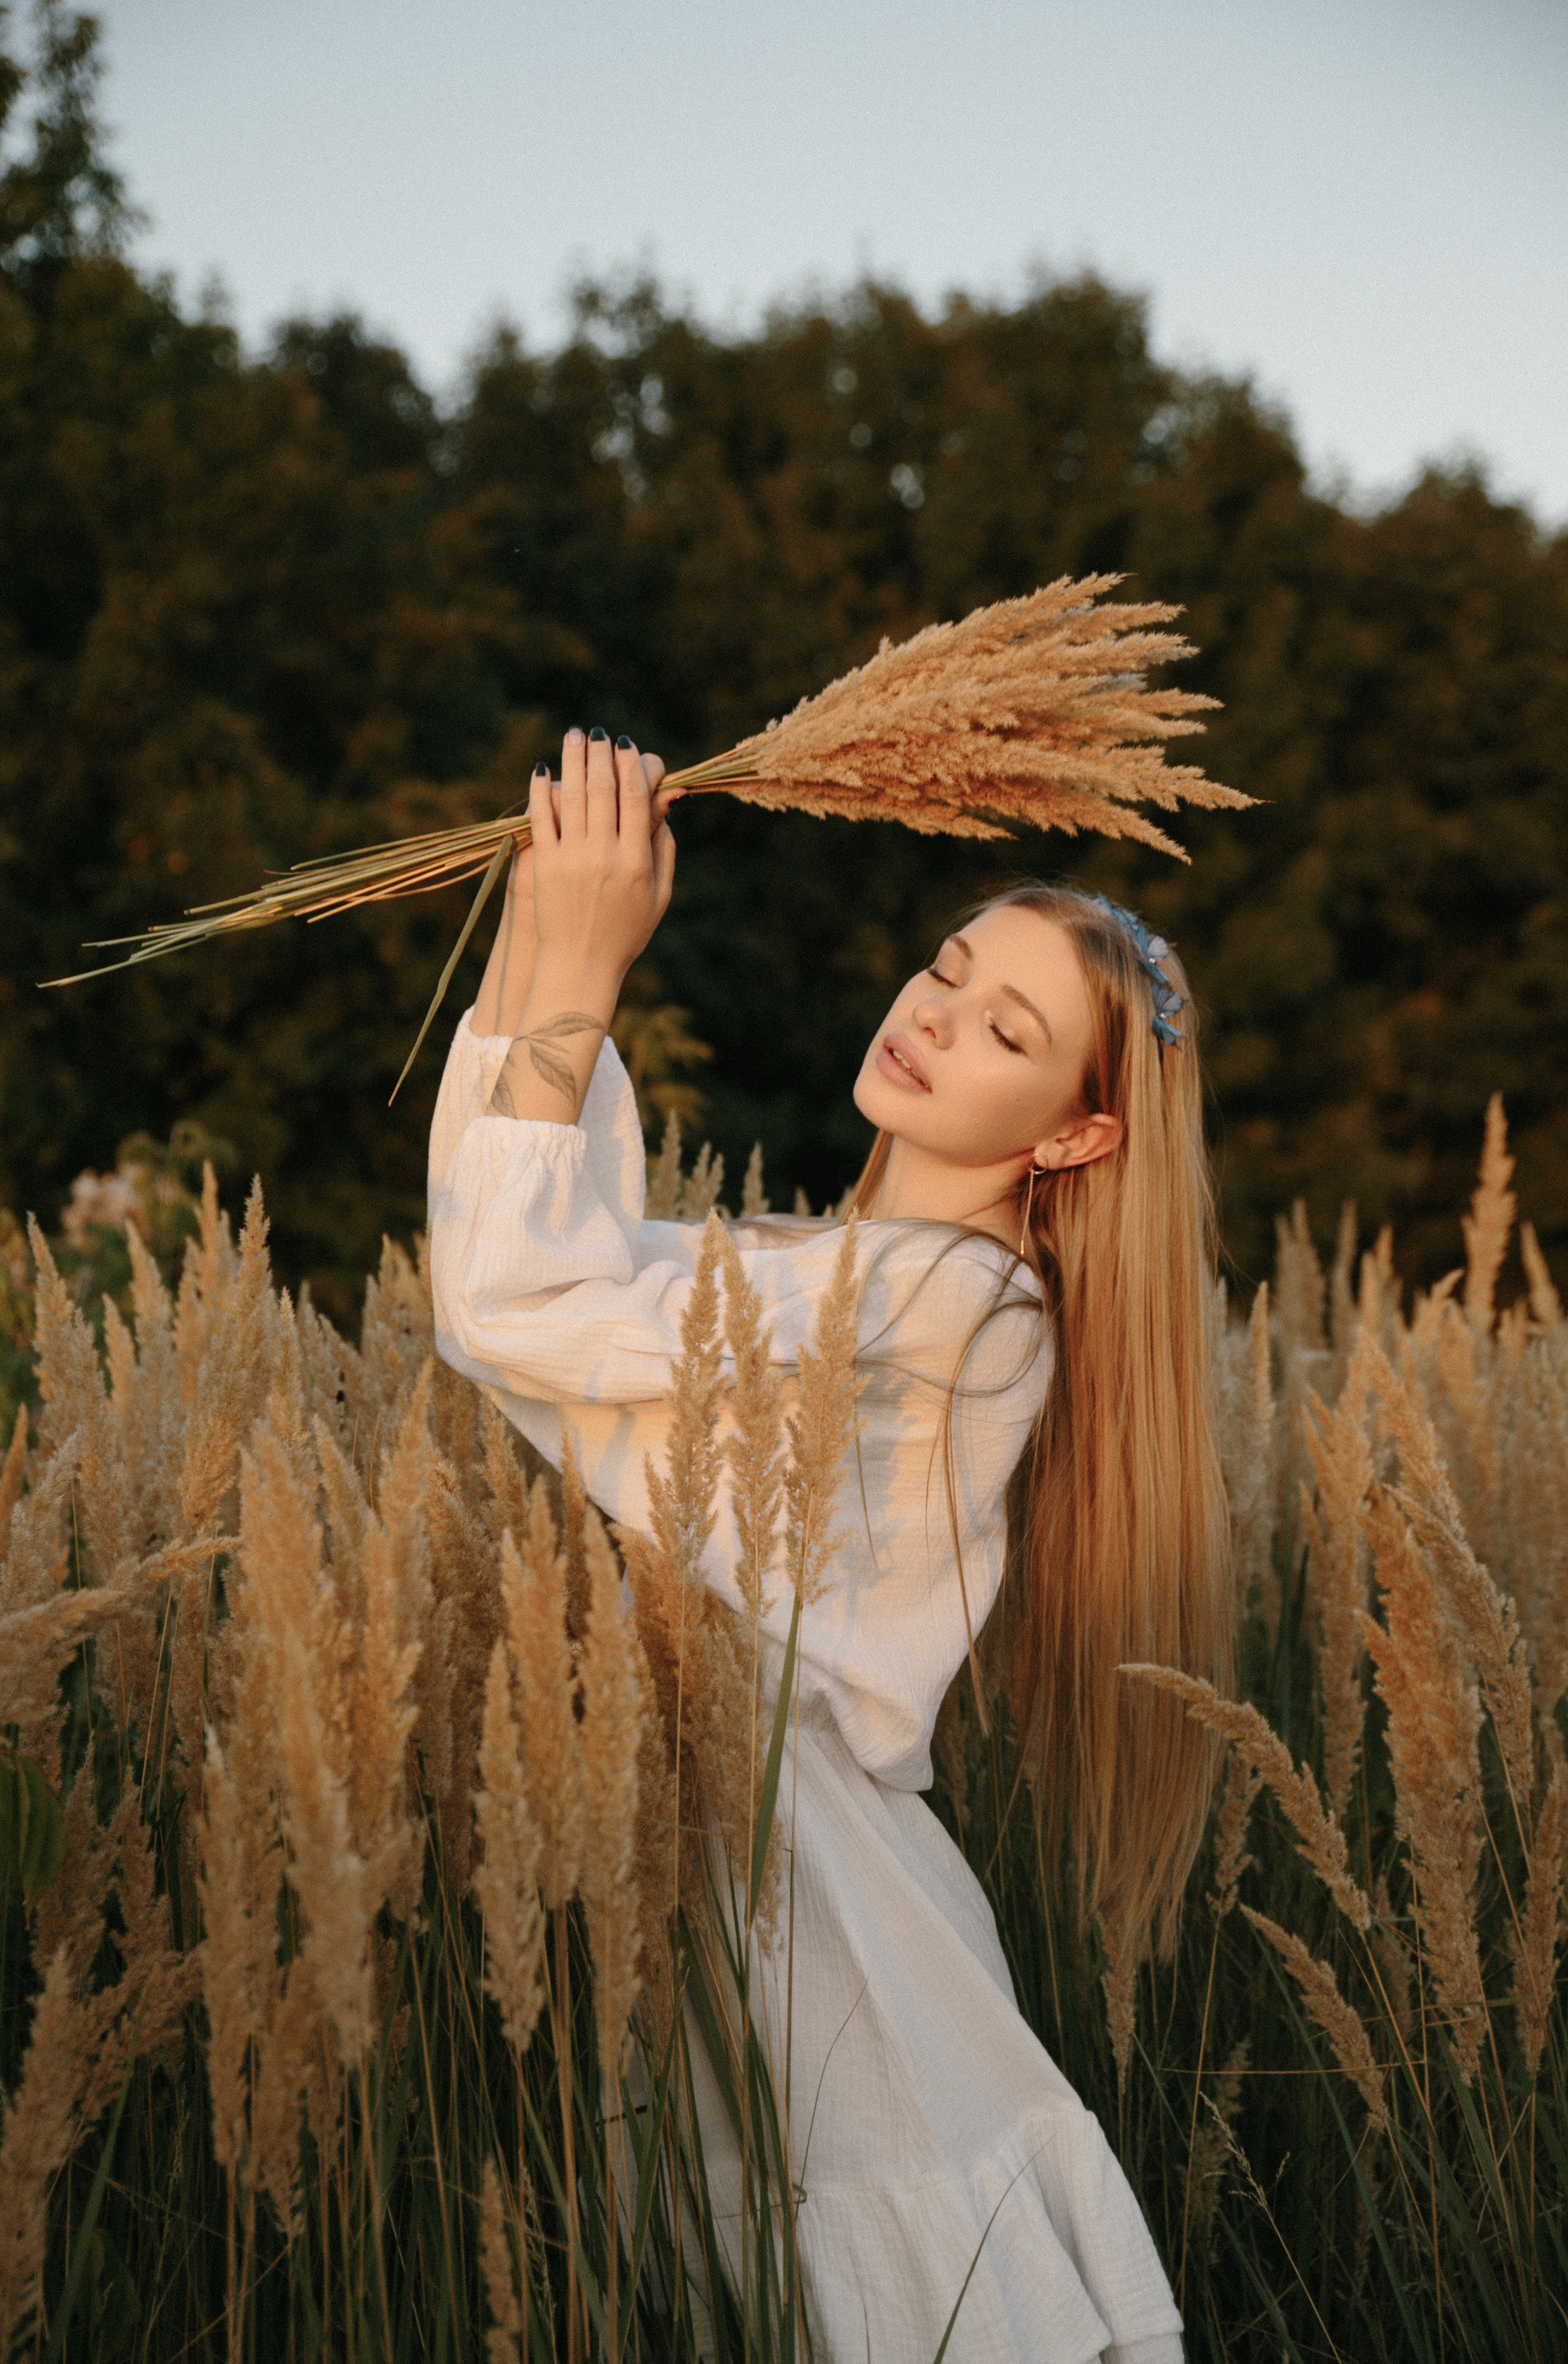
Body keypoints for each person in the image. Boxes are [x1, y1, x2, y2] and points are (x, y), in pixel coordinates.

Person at [429, 727, 1231, 2363]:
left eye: (1008, 1029)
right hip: (742, 1851)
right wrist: (535, 937)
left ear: (1074, 1139)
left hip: (812, 1900)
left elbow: (514, 1303)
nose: (934, 1015)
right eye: (946, 969)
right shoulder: (823, 1260)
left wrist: (581, 955)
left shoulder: (951, 1302)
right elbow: (547, 1262)